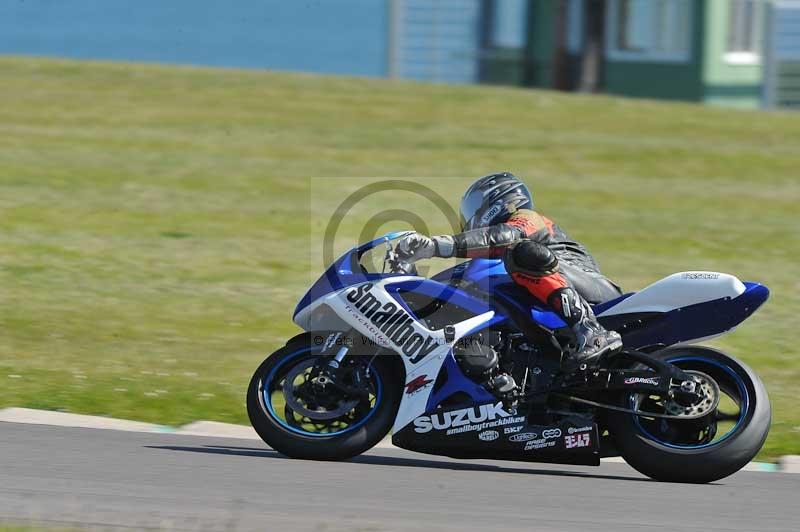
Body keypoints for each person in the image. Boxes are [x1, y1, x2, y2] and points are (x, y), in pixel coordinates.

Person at [395, 172, 623, 375]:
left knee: (520, 251)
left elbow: (506, 237)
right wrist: (408, 284)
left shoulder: (529, 219)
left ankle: (592, 331)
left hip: (596, 295)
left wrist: (436, 246)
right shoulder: (498, 265)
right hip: (550, 312)